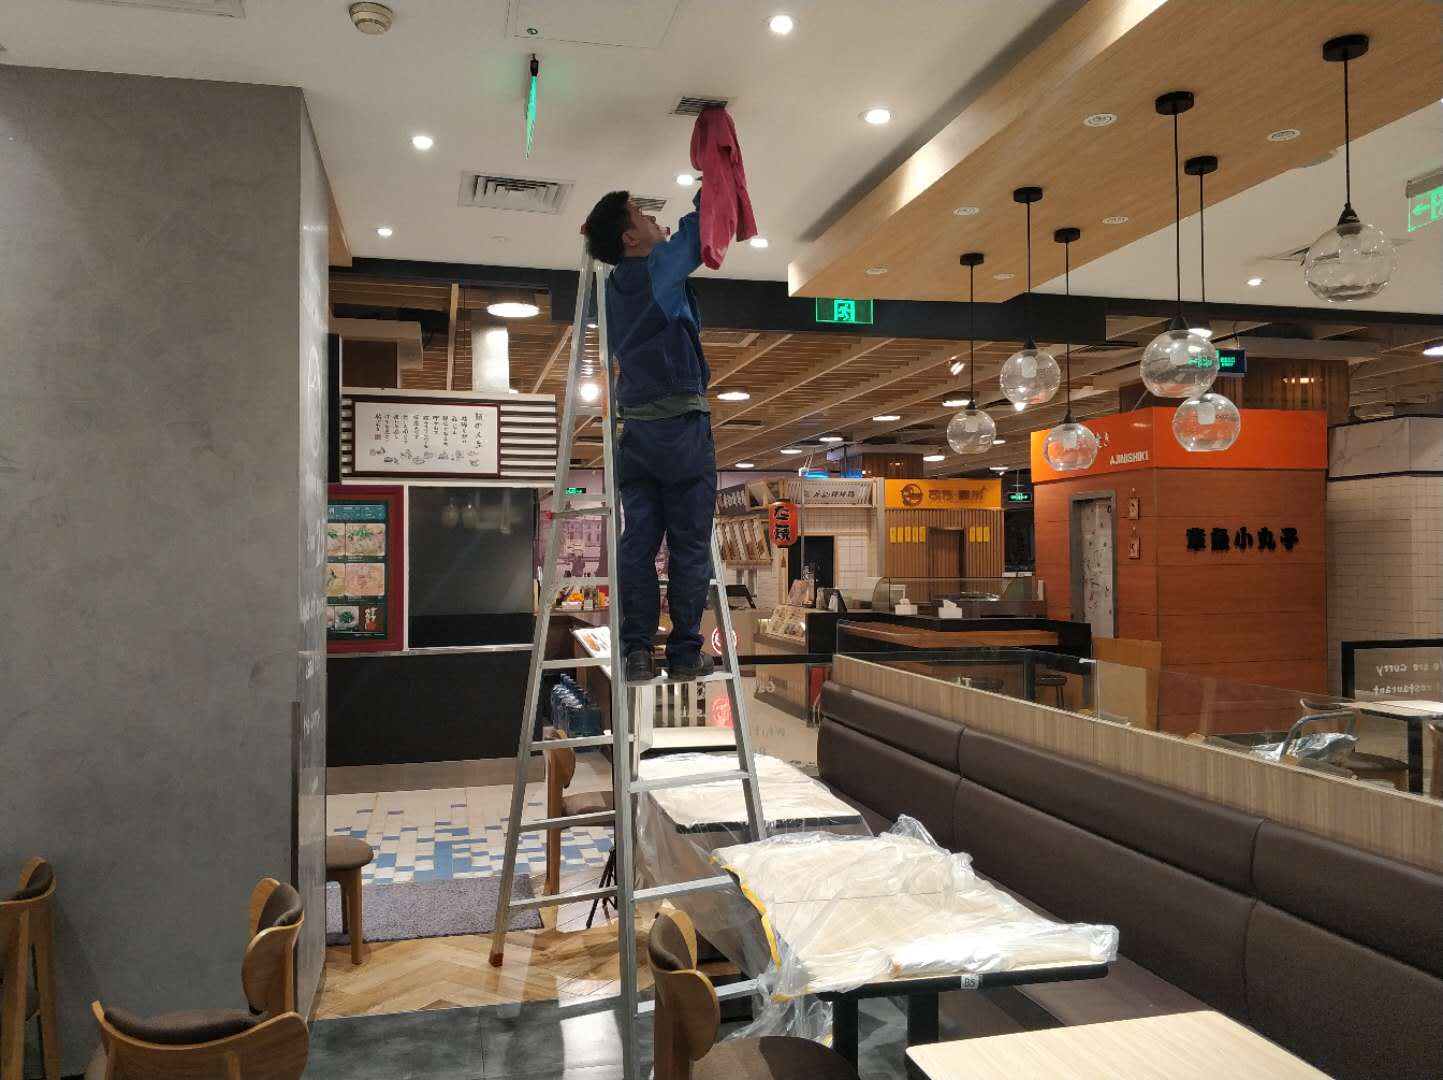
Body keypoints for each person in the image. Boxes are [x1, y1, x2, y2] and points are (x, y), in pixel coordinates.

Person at [582, 187, 715, 683]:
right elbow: (696, 235)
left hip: (635, 434)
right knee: (689, 544)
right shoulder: (656, 268)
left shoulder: (611, 289)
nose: (654, 220)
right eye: (642, 215)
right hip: (682, 432)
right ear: (629, 237)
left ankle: (636, 651)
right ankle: (683, 652)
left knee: (637, 543)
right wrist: (711, 186)